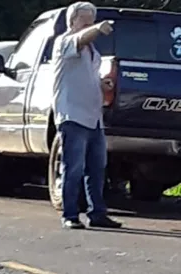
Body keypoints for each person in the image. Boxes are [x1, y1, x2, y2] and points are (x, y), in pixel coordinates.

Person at [52, 2, 121, 229]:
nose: (88, 26)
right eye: (84, 21)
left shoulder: (94, 53)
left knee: (96, 168)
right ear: (72, 21)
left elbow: (87, 76)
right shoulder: (64, 42)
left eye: (91, 21)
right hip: (72, 115)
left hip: (93, 117)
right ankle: (70, 215)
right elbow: (80, 40)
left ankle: (97, 213)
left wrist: (102, 83)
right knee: (73, 168)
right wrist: (97, 29)